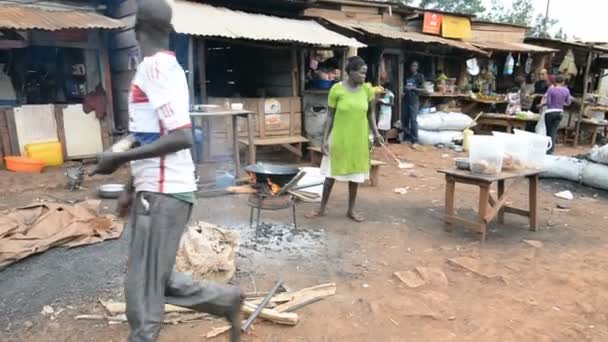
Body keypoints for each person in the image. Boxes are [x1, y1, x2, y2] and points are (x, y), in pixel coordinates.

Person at [89, 1, 243, 341]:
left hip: (163, 194)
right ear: (167, 29)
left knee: (142, 292)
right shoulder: (160, 68)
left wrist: (116, 161)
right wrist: (132, 185)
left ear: (135, 27)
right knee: (156, 279)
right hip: (157, 191)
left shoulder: (154, 69)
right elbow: (151, 134)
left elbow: (181, 137)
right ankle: (226, 299)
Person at [307, 56, 383, 222]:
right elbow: (330, 115)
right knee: (330, 176)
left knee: (354, 177)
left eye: (365, 74)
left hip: (359, 139)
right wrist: (324, 139)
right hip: (339, 138)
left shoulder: (367, 90)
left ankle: (351, 210)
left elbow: (370, 113)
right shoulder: (337, 89)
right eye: (362, 73)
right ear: (350, 72)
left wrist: (376, 133)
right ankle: (321, 208)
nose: (364, 76)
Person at [544, 74, 572, 154]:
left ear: (555, 81)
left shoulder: (551, 90)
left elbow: (548, 102)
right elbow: (568, 102)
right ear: (563, 82)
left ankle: (548, 148)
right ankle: (551, 149)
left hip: (550, 112)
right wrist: (561, 104)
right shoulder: (566, 90)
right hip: (559, 112)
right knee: (553, 131)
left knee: (548, 131)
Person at [402, 61, 425, 147]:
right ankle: (406, 139)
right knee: (405, 120)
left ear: (417, 67)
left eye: (415, 66)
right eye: (412, 65)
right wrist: (404, 91)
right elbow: (405, 87)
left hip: (414, 101)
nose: (413, 67)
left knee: (413, 120)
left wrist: (412, 88)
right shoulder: (407, 76)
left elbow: (423, 89)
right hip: (405, 100)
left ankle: (415, 140)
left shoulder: (420, 76)